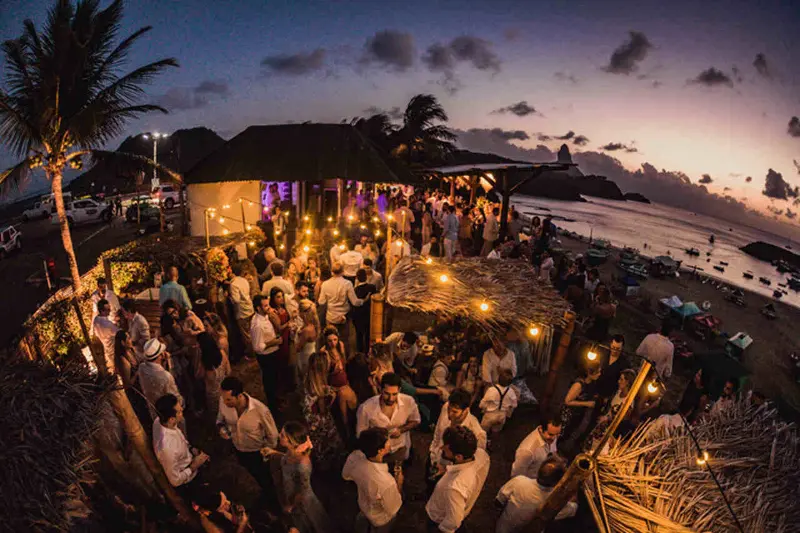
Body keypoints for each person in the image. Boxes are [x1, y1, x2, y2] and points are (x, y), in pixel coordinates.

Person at [217, 377, 280, 499]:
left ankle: (273, 502)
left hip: (256, 452)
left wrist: (266, 452)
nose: (224, 402)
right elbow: (220, 419)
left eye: (229, 399)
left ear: (239, 396)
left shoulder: (260, 410)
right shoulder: (223, 400)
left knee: (266, 480)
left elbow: (273, 435)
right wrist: (221, 428)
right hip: (238, 448)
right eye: (223, 399)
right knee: (252, 473)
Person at [425, 426, 490, 533]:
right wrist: (447, 470)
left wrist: (440, 529)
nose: (441, 449)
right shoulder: (482, 455)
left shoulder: (454, 488)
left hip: (438, 518)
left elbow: (453, 521)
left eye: (446, 449)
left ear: (459, 457)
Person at [274, 421, 335, 533]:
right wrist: (273, 453)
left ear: (292, 442)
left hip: (302, 501)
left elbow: (303, 490)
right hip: (291, 492)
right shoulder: (292, 451)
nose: (279, 436)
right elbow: (286, 460)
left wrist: (291, 505)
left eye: (283, 435)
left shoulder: (303, 465)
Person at [342, 427, 403, 533]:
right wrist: (399, 482)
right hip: (380, 519)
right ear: (380, 450)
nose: (390, 442)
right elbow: (393, 508)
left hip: (363, 506)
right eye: (387, 441)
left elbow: (345, 475)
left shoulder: (354, 457)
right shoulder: (386, 482)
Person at [495, 457, 577, 533]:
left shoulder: (519, 481)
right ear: (556, 482)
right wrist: (573, 490)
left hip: (503, 529)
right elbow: (573, 509)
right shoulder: (554, 501)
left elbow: (499, 500)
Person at [427, 389, 487, 491]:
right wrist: (432, 453)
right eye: (449, 409)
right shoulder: (446, 406)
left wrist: (447, 470)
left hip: (450, 472)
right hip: (435, 457)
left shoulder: (476, 433)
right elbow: (438, 432)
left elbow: (471, 463)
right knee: (429, 483)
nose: (449, 414)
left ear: (466, 410)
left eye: (455, 412)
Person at [356, 372, 421, 463]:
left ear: (400, 390)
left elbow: (416, 421)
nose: (390, 398)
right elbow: (361, 435)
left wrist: (401, 430)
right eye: (387, 393)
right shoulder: (366, 408)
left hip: (400, 448)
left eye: (394, 394)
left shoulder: (409, 401)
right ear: (380, 389)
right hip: (377, 455)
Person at [152, 394, 209, 492]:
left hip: (189, 460)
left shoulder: (159, 421)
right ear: (171, 419)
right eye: (179, 411)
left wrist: (191, 449)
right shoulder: (167, 449)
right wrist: (194, 466)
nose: (182, 411)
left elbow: (180, 440)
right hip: (188, 482)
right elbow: (175, 480)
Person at [302, 352, 345, 470]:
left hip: (311, 422)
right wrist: (333, 397)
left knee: (319, 447)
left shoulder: (309, 379)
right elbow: (323, 411)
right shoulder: (321, 390)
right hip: (321, 423)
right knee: (330, 446)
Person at [320, 326, 359, 440]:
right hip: (335, 387)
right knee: (343, 415)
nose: (333, 343)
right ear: (326, 341)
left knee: (352, 408)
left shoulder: (340, 345)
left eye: (335, 340)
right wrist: (333, 370)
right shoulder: (324, 352)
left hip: (345, 383)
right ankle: (345, 435)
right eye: (330, 341)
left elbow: (345, 363)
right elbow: (324, 374)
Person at [589, 369, 636, 448]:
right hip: (601, 427)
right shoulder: (617, 392)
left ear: (628, 382)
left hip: (610, 433)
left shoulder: (628, 402)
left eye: (621, 379)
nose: (618, 381)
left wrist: (607, 419)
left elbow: (623, 420)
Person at [317, 262, 363, 343]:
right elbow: (355, 302)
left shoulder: (325, 284)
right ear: (343, 272)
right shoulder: (347, 284)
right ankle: (344, 355)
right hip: (343, 317)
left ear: (332, 272)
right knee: (344, 341)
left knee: (331, 341)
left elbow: (321, 302)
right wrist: (363, 301)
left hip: (331, 317)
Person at [251, 294, 283, 411]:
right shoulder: (257, 325)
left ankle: (277, 400)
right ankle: (273, 406)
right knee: (270, 381)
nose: (268, 307)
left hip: (273, 353)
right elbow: (258, 347)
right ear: (258, 308)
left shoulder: (265, 316)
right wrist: (274, 342)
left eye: (268, 304)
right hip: (266, 357)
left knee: (275, 378)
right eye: (265, 306)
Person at [139, 339, 183, 420]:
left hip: (154, 410)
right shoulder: (165, 376)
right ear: (161, 355)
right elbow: (174, 395)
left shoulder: (141, 367)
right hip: (169, 414)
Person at [559, 366, 600, 447]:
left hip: (577, 414)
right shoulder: (579, 384)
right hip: (568, 414)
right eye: (598, 372)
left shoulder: (592, 384)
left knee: (568, 434)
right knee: (561, 433)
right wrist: (587, 404)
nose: (600, 374)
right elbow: (567, 401)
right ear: (590, 373)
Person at [268, 287, 295, 404]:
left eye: (282, 296)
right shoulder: (273, 312)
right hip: (280, 337)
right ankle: (282, 388)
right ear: (273, 298)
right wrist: (290, 322)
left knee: (287, 359)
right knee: (281, 361)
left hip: (287, 336)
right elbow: (278, 328)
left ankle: (288, 383)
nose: (281, 299)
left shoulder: (282, 308)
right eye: (278, 297)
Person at [199, 332, 230, 418]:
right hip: (225, 388)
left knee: (217, 415)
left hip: (213, 394)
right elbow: (228, 371)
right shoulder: (222, 354)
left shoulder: (205, 364)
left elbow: (199, 376)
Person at [479, 368, 518, 436]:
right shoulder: (511, 392)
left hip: (490, 415)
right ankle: (493, 442)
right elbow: (515, 405)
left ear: (498, 378)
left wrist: (484, 408)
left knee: (483, 431)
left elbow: (482, 404)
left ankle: (484, 442)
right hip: (501, 416)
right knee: (496, 431)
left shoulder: (491, 390)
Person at [229, 261, 256, 358]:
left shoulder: (234, 284)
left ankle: (252, 353)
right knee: (252, 331)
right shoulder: (244, 280)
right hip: (250, 309)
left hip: (242, 313)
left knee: (246, 335)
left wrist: (229, 297)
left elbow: (236, 300)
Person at [352, 268, 378, 354]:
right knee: (368, 334)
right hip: (369, 315)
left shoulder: (355, 290)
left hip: (358, 316)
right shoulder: (372, 287)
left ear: (357, 278)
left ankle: (360, 352)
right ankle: (367, 351)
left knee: (359, 334)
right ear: (366, 277)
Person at [92, 298, 119, 373]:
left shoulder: (96, 320)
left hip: (104, 349)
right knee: (117, 369)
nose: (110, 310)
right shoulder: (107, 324)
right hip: (112, 349)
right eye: (107, 309)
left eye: (109, 308)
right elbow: (118, 332)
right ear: (102, 311)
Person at [295, 299, 320, 381]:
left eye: (299, 310)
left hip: (305, 356)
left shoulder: (307, 330)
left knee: (306, 376)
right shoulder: (312, 325)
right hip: (311, 352)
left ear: (303, 313)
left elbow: (298, 348)